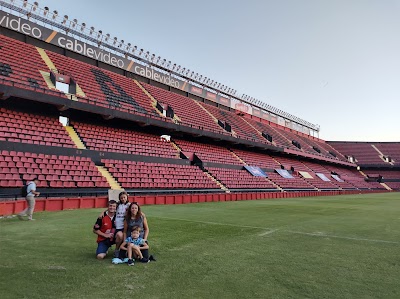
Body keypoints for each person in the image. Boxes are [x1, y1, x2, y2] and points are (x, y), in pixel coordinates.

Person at [98, 191, 130, 257]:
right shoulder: (118, 204)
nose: (123, 199)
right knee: (118, 236)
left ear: (127, 197)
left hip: (125, 225)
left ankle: (126, 251)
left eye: (124, 197)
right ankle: (116, 250)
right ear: (119, 198)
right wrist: (103, 212)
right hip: (117, 226)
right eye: (121, 198)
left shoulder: (129, 205)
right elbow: (110, 208)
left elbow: (136, 209)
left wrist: (142, 215)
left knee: (126, 238)